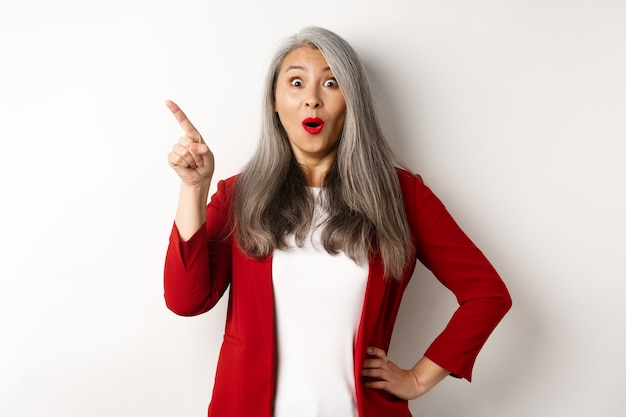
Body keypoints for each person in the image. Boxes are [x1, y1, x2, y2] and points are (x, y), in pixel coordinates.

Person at [164, 26, 512, 417]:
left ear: (353, 101)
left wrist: (418, 378)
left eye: (331, 83)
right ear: (275, 102)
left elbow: (487, 294)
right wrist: (194, 187)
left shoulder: (401, 195)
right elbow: (186, 300)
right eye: (296, 82)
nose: (312, 100)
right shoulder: (238, 195)